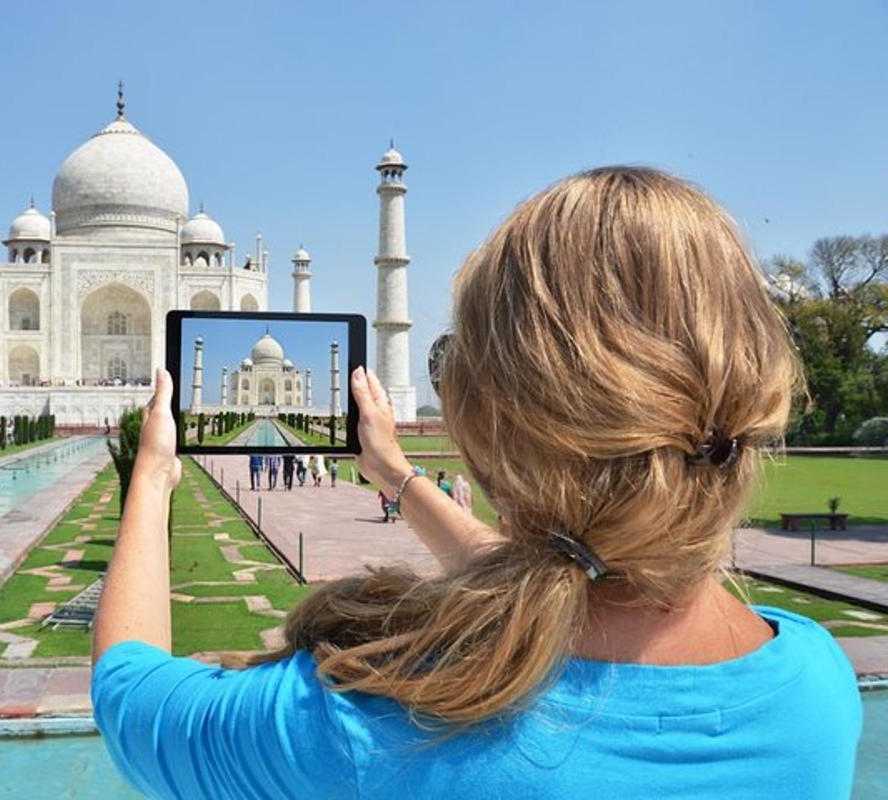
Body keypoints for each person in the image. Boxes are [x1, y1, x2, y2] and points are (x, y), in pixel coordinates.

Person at [88, 169, 862, 798]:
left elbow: (130, 695)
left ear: (486, 426)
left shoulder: (371, 726)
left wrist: (151, 477)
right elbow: (568, 577)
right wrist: (393, 474)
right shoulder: (816, 683)